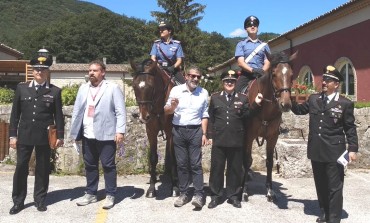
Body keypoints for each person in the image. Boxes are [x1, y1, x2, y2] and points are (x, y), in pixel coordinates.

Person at [291, 65, 358, 223]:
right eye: (324, 79)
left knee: (334, 186)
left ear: (336, 84)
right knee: (320, 184)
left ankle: (334, 218)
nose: (324, 82)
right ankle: (324, 212)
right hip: (316, 149)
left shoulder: (345, 103)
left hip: (335, 151)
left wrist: (353, 149)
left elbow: (350, 127)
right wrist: (288, 100)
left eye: (328, 80)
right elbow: (299, 110)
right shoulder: (314, 99)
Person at [9, 55, 64, 214]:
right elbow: (14, 115)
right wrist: (13, 135)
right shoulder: (22, 88)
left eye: (43, 69)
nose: (40, 71)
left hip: (44, 137)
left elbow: (58, 116)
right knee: (21, 167)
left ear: (47, 72)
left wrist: (60, 136)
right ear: (32, 71)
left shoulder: (54, 91)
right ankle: (18, 201)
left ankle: (40, 200)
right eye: (37, 69)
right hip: (24, 135)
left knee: (42, 168)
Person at [70, 60, 126, 210]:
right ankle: (91, 193)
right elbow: (77, 111)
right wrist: (74, 132)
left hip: (106, 133)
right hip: (88, 133)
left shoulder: (113, 88)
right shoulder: (83, 88)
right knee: (90, 165)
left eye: (95, 71)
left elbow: (121, 111)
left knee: (108, 165)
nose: (91, 73)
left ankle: (110, 194)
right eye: (90, 71)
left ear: (103, 72)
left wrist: (120, 131)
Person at [207, 70, 263, 209]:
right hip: (219, 139)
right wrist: (209, 136)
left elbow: (248, 116)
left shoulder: (243, 98)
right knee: (217, 169)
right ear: (223, 83)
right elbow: (211, 118)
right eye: (227, 81)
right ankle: (216, 196)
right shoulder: (214, 98)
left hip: (237, 139)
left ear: (236, 83)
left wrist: (255, 104)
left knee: (235, 169)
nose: (229, 83)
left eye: (232, 81)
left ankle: (234, 196)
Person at [164, 65, 209, 208]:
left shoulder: (203, 92)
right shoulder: (176, 90)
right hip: (178, 130)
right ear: (186, 76)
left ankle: (199, 194)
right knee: (181, 164)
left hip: (196, 131)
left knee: (196, 164)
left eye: (198, 77)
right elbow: (166, 111)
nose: (195, 79)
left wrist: (204, 133)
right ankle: (183, 193)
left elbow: (205, 115)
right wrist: (172, 107)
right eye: (192, 75)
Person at [234, 15, 271, 93]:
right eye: (249, 25)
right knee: (237, 92)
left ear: (257, 28)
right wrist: (252, 70)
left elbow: (267, 61)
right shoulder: (241, 44)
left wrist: (262, 71)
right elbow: (240, 63)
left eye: (255, 25)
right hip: (247, 74)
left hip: (262, 74)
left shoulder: (265, 45)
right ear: (246, 29)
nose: (252, 27)